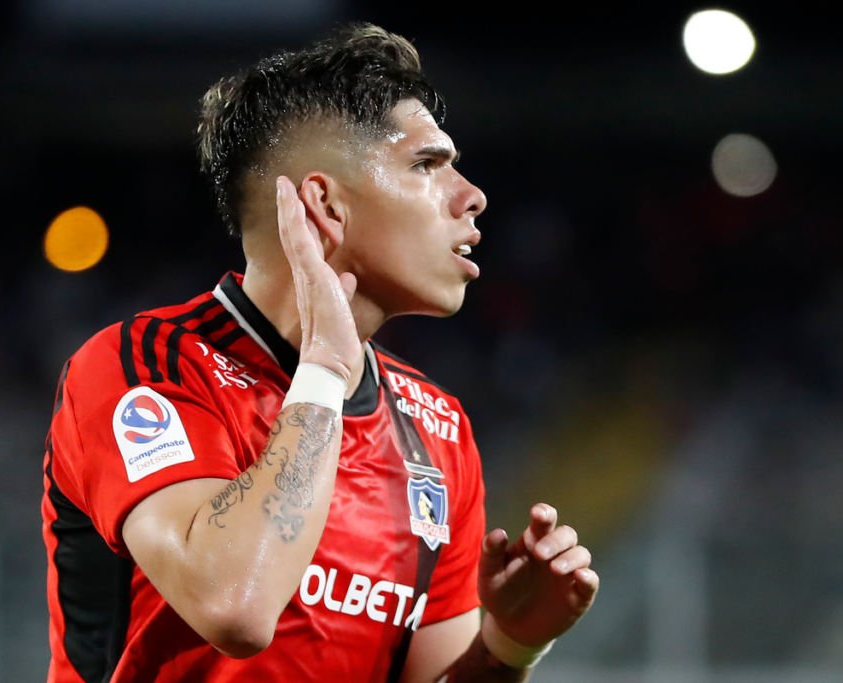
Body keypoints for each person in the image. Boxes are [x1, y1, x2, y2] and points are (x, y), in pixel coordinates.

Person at [42, 23, 598, 683]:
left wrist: (507, 647)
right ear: (325, 204)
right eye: (427, 165)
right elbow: (234, 605)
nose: (471, 197)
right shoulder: (147, 367)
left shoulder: (438, 427)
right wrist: (327, 369)